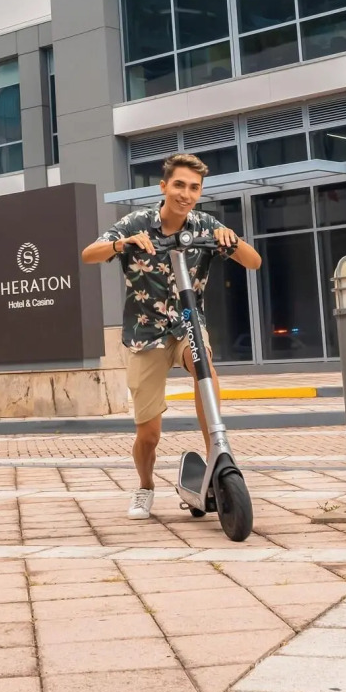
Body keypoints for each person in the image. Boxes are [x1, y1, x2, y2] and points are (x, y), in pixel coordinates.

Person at [81, 153, 261, 520]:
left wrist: (232, 239)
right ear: (164, 187)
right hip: (144, 335)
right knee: (149, 434)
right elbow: (88, 254)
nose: (186, 194)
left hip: (186, 325)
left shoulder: (205, 225)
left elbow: (253, 261)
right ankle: (145, 486)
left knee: (203, 364)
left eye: (194, 187)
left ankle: (217, 452)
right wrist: (121, 244)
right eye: (179, 185)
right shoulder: (138, 223)